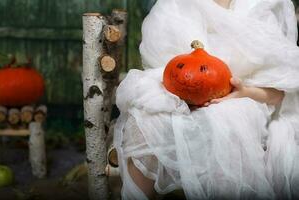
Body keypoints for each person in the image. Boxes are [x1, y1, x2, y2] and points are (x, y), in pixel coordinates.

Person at [113, 0, 299, 199]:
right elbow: (171, 73)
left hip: (244, 103)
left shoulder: (261, 7)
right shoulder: (173, 7)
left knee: (227, 120)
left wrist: (244, 92)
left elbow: (279, 94)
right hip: (179, 101)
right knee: (144, 122)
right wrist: (185, 97)